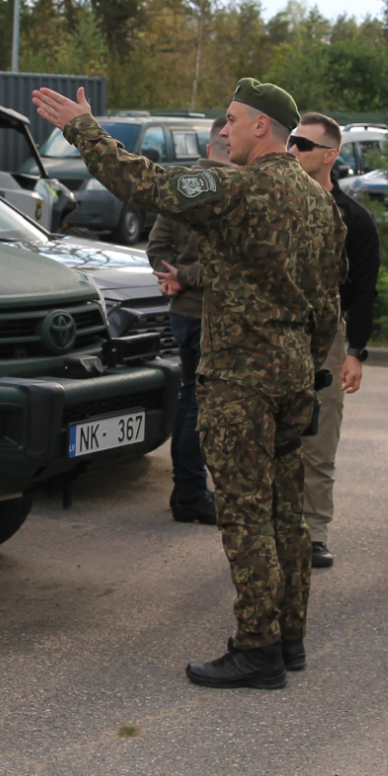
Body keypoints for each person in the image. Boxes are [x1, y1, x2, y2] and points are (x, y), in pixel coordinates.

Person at [33, 79, 344, 689]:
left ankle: (257, 649)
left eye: (231, 120)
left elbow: (146, 184)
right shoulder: (318, 202)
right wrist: (309, 371)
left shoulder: (238, 187)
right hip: (290, 374)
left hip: (241, 377)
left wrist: (83, 129)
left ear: (263, 126)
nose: (223, 131)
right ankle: (289, 637)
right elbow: (328, 302)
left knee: (246, 515)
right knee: (285, 514)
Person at [287, 112, 380, 569]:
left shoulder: (354, 218)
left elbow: (365, 289)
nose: (293, 150)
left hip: (327, 336)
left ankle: (315, 532)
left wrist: (356, 352)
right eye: (290, 142)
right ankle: (273, 529)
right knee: (272, 442)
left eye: (303, 145)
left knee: (319, 442)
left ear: (330, 154)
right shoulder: (277, 206)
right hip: (277, 334)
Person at [144, 117, 229, 525]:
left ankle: (189, 490)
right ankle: (193, 493)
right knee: (204, 407)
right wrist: (183, 278)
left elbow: (157, 246)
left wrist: (172, 278)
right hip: (212, 315)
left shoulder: (182, 186)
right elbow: (232, 267)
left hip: (184, 312)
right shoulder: (228, 191)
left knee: (190, 401)